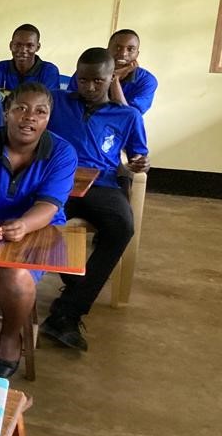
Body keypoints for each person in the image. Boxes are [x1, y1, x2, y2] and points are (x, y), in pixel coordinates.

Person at [0, 82, 78, 377]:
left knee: (15, 275)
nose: (29, 117)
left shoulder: (62, 153)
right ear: (6, 112)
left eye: (40, 111)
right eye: (20, 108)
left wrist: (23, 224)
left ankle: (10, 334)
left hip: (36, 228)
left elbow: (49, 207)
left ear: (49, 118)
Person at [42, 48, 149, 351]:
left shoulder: (127, 115)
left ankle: (67, 313)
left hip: (101, 184)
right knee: (43, 218)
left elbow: (139, 155)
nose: (88, 87)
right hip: (57, 181)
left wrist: (141, 163)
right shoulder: (55, 101)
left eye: (97, 81)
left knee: (121, 226)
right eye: (82, 79)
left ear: (110, 78)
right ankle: (77, 287)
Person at [65, 29, 157, 114]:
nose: (123, 53)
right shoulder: (88, 70)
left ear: (137, 54)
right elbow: (70, 104)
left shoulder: (147, 81)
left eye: (130, 49)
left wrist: (115, 79)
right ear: (107, 50)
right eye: (118, 48)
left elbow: (126, 117)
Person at [0, 24, 61, 92]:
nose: (23, 50)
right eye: (18, 44)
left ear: (37, 47)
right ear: (11, 45)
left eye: (29, 45)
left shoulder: (49, 71)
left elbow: (48, 102)